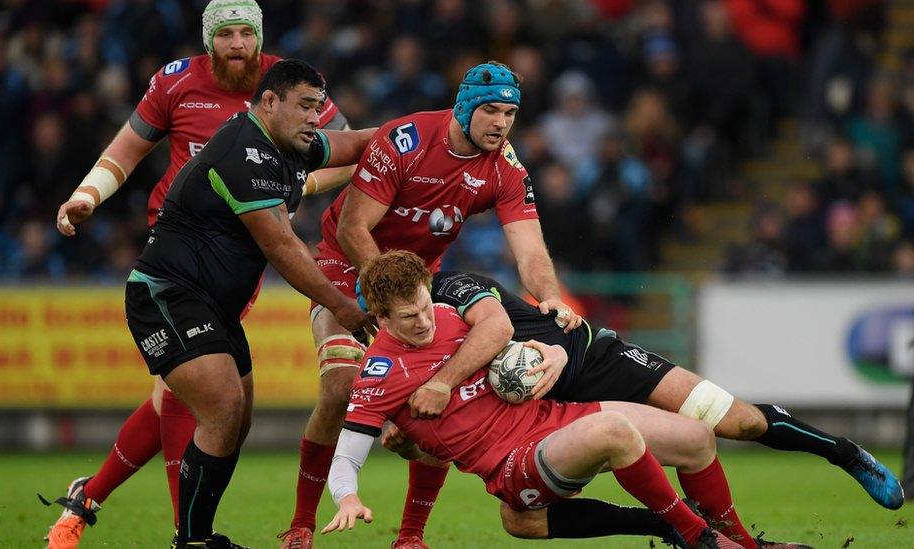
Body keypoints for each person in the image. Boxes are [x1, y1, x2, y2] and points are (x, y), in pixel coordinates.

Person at [45, 2, 354, 547]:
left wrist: (290, 188)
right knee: (202, 398)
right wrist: (87, 194)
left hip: (239, 252)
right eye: (227, 34)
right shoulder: (176, 82)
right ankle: (178, 532)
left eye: (246, 33)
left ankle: (96, 497)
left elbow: (343, 152)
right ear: (210, 40)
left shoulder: (292, 87)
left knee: (208, 402)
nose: (238, 44)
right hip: (182, 250)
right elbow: (125, 151)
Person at [279, 61, 584, 549]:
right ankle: (300, 524)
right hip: (347, 269)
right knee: (340, 389)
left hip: (421, 287)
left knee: (441, 394)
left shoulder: (504, 167)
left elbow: (529, 247)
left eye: (510, 112)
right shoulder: (406, 140)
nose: (501, 123)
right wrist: (384, 301)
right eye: (490, 110)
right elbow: (353, 228)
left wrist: (549, 297)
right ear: (464, 107)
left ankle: (411, 537)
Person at [322, 250, 781, 549]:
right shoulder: (379, 374)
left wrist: (553, 350)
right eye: (408, 317)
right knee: (615, 433)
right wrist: (346, 498)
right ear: (380, 317)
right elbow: (347, 457)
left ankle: (742, 542)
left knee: (697, 437)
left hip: (558, 418)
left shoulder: (451, 314)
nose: (424, 321)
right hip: (514, 462)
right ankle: (696, 537)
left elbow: (513, 335)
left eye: (425, 305)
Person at [125, 59, 370, 548]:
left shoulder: (287, 144)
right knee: (223, 405)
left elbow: (351, 142)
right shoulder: (243, 150)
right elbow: (282, 247)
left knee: (237, 420)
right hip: (166, 293)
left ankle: (198, 535)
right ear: (269, 101)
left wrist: (418, 131)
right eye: (304, 106)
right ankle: (192, 541)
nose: (314, 119)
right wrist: (344, 306)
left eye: (319, 108)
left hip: (211, 304)